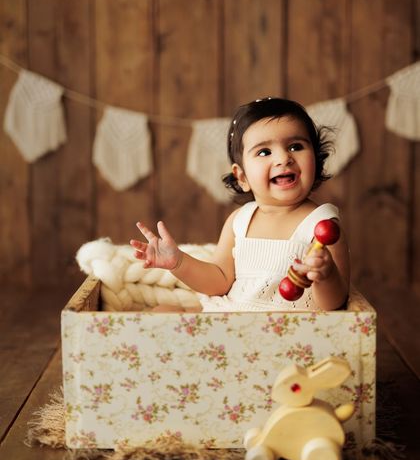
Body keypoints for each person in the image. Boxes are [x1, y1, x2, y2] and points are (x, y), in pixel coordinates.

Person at [130, 98, 350, 312]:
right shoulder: (240, 220)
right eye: (264, 152)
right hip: (233, 322)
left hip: (287, 332)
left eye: (295, 146)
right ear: (242, 176)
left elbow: (334, 304)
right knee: (162, 312)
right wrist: (177, 263)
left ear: (316, 159)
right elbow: (219, 280)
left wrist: (326, 274)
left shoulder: (322, 226)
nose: (284, 158)